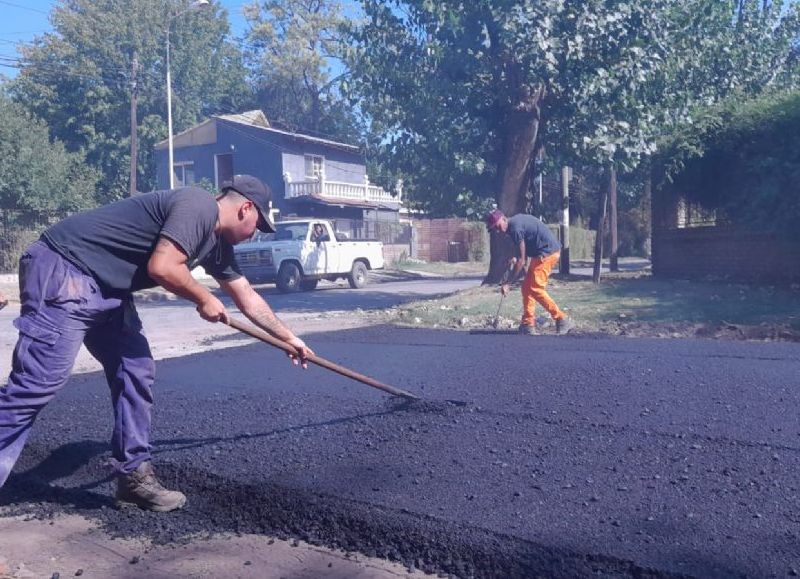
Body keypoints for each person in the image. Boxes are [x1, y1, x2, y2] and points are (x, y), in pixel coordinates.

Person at [0, 175, 313, 512]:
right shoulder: (198, 205)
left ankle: (134, 477)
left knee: (135, 369)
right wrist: (202, 297)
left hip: (107, 286)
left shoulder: (216, 244)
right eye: (258, 225)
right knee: (36, 386)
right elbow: (163, 267)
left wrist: (287, 339)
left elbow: (247, 296)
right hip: (65, 267)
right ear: (245, 208)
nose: (255, 233)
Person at [486, 209, 574, 335]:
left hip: (547, 253)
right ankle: (528, 324)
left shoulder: (515, 228)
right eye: (495, 229)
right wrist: (514, 258)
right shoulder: (513, 226)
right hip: (540, 253)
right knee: (526, 287)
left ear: (504, 219)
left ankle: (562, 319)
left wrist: (508, 283)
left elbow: (522, 261)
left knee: (535, 288)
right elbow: (521, 253)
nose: (498, 231)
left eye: (498, 226)